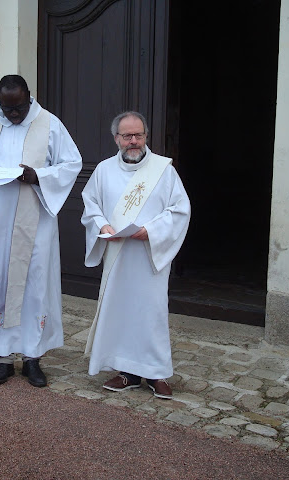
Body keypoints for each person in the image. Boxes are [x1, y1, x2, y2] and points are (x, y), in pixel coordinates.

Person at [0, 74, 82, 387]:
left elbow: (71, 164)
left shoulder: (50, 123)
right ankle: (2, 359)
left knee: (34, 287)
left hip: (36, 224)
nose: (13, 115)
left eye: (19, 108)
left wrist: (37, 176)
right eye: (7, 108)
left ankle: (32, 359)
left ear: (30, 97)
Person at [80, 111, 190, 399]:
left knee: (150, 313)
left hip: (148, 255)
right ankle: (126, 372)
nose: (133, 141)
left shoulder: (164, 170)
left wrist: (151, 230)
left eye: (138, 135)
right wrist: (102, 224)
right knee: (121, 312)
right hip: (117, 254)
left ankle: (156, 373)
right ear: (116, 138)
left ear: (145, 136)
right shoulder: (103, 170)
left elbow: (180, 210)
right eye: (127, 136)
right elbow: (90, 203)